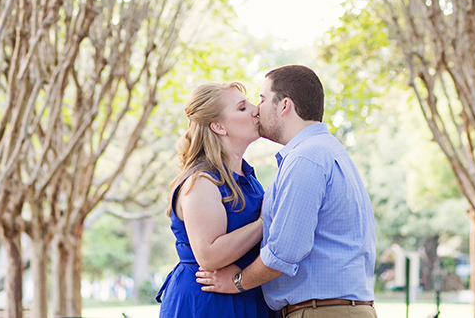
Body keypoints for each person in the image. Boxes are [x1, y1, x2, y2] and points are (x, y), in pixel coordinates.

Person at [197, 65, 376, 318]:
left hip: (322, 312)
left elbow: (284, 251)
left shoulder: (306, 158)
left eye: (261, 99)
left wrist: (237, 282)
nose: (257, 109)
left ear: (284, 106)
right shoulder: (325, 151)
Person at [156, 81, 273, 318]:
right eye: (242, 107)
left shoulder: (247, 177)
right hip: (208, 302)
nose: (255, 110)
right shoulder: (202, 181)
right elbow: (208, 255)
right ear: (218, 126)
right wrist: (264, 223)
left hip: (246, 296)